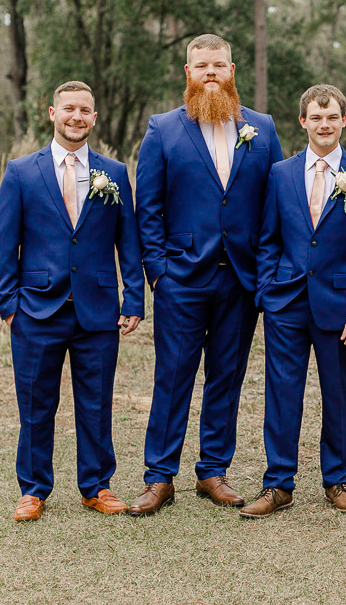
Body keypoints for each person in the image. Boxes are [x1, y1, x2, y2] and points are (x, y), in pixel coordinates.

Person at [130, 34, 283, 516]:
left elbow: (276, 204)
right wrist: (159, 273)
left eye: (218, 64)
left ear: (232, 70)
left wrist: (266, 273)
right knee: (172, 377)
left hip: (241, 278)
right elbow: (147, 208)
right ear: (188, 72)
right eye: (202, 65)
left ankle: (213, 471)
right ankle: (159, 477)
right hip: (181, 278)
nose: (210, 72)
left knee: (226, 377)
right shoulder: (162, 129)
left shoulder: (262, 127)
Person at [0, 80, 144, 522]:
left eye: (84, 110)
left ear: (94, 118)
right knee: (35, 404)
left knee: (96, 403)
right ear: (53, 114)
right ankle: (33, 489)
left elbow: (127, 241)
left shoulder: (114, 173)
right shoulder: (21, 171)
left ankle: (96, 486)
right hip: (36, 309)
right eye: (69, 108)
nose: (77, 117)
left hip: (98, 308)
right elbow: (4, 244)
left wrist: (134, 298)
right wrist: (9, 306)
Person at [240, 85, 346, 518]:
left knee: (338, 394)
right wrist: (267, 291)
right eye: (316, 118)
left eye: (332, 117)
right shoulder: (281, 173)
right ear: (303, 121)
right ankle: (278, 483)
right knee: (281, 394)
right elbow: (268, 239)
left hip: (340, 308)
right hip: (286, 303)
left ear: (344, 121)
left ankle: (336, 480)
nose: (325, 125)